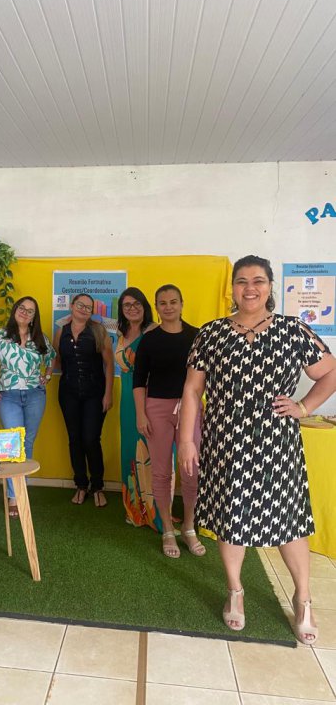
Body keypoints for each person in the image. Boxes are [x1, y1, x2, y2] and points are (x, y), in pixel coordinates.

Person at [179, 255, 336, 643]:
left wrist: (304, 407)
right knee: (231, 518)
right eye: (242, 281)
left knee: (288, 520)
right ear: (232, 288)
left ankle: (303, 598)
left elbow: (330, 372)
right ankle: (235, 591)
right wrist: (186, 440)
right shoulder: (211, 333)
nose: (250, 288)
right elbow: (192, 390)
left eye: (258, 281)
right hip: (225, 442)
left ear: (270, 286)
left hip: (276, 443)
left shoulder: (292, 330)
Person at [133, 284, 204, 558]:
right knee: (161, 472)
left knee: (191, 471)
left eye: (173, 301)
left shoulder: (197, 336)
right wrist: (141, 414)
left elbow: (208, 375)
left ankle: (188, 527)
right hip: (156, 410)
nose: (168, 307)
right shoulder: (149, 340)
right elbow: (139, 381)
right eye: (162, 303)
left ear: (182, 303)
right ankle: (167, 529)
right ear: (156, 307)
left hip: (190, 409)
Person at [0, 296, 55, 517]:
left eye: (30, 311)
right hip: (8, 396)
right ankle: (14, 496)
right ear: (15, 310)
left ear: (34, 317)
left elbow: (52, 358)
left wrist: (47, 376)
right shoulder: (0, 336)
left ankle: (21, 491)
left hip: (35, 395)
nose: (25, 312)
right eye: (22, 308)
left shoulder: (39, 338)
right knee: (14, 443)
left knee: (27, 441)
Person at [54, 293, 114, 507]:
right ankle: (80, 485)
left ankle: (97, 486)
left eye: (88, 307)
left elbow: (109, 364)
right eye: (80, 305)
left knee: (91, 439)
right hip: (68, 392)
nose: (84, 309)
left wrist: (108, 394)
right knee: (74, 439)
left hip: (95, 393)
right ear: (72, 306)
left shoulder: (99, 330)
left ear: (91, 312)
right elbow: (56, 360)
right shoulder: (61, 331)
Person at [115, 287, 160, 528]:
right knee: (130, 450)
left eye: (136, 304)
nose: (132, 308)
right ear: (122, 309)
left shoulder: (154, 331)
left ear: (144, 306)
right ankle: (135, 509)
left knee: (149, 452)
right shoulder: (121, 333)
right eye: (127, 305)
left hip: (148, 399)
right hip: (126, 401)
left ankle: (154, 511)